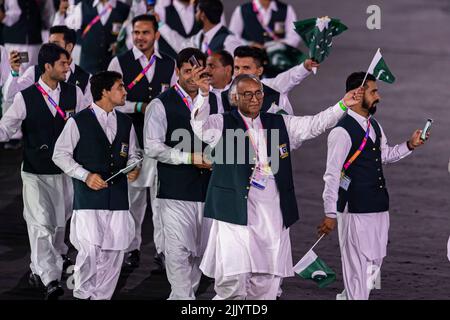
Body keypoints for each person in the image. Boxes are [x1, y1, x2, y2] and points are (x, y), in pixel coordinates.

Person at [191, 73, 363, 300]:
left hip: (272, 216)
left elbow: (314, 125)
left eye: (258, 92)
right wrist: (203, 95)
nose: (254, 98)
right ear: (234, 98)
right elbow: (199, 125)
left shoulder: (278, 122)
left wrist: (342, 105)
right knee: (232, 284)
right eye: (247, 94)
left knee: (267, 286)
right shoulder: (222, 122)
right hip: (234, 216)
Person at [317, 72, 428, 300]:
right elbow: (331, 175)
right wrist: (330, 213)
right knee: (357, 269)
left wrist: (410, 145)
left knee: (373, 266)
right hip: (355, 209)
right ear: (357, 95)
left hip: (378, 207)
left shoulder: (374, 125)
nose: (378, 97)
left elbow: (383, 155)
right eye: (373, 92)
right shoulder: (341, 132)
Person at [0, 43, 85, 299]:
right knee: (40, 225)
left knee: (59, 227)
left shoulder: (75, 93)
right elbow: (6, 128)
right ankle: (50, 281)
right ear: (47, 67)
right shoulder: (24, 97)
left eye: (68, 63)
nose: (68, 68)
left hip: (65, 173)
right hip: (35, 173)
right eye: (63, 64)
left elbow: (86, 126)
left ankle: (40, 269)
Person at [52, 70, 140, 300]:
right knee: (89, 251)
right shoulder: (77, 121)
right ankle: (82, 295)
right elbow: (60, 155)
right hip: (88, 199)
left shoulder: (126, 122)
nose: (125, 91)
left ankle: (102, 297)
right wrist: (85, 175)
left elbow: (133, 154)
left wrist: (133, 167)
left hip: (118, 198)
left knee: (114, 252)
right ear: (104, 91)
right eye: (120, 87)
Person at [144, 47, 218, 299]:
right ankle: (182, 297)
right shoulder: (160, 103)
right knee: (177, 253)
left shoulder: (215, 100)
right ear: (177, 71)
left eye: (197, 71)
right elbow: (152, 146)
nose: (192, 78)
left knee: (200, 253)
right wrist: (188, 158)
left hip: (208, 191)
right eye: (187, 71)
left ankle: (184, 298)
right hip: (174, 193)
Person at [108, 13, 176, 269]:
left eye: (146, 32)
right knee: (133, 198)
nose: (140, 37)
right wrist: (140, 105)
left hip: (161, 143)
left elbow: (174, 100)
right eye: (136, 32)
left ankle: (163, 250)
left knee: (160, 199)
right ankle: (131, 248)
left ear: (156, 35)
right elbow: (111, 99)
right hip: (131, 141)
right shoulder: (120, 62)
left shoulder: (169, 64)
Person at [5, 25, 92, 107]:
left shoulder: (86, 79)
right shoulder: (34, 72)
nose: (50, 48)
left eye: (55, 44)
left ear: (69, 47)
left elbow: (87, 113)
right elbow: (10, 97)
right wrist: (14, 72)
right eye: (49, 44)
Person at [220, 45, 318, 115]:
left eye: (246, 68)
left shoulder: (273, 89)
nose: (240, 72)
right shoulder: (223, 96)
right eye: (237, 68)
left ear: (259, 71)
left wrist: (305, 67)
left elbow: (290, 77)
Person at [60, 0, 131, 74]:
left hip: (112, 67)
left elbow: (127, 37)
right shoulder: (83, 5)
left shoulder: (124, 9)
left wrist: (119, 46)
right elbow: (70, 29)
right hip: (87, 66)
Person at [158, 0, 243, 57]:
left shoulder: (229, 40)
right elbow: (181, 46)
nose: (195, 14)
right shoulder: (198, 38)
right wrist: (160, 24)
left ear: (202, 15)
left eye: (197, 11)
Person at [0, 0, 55, 72]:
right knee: (16, 72)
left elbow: (48, 15)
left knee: (33, 72)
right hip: (15, 42)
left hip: (34, 42)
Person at [229, 0, 301, 48]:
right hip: (250, 62)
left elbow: (294, 36)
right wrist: (249, 45)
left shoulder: (286, 9)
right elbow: (232, 37)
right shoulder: (242, 10)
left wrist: (277, 46)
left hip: (277, 62)